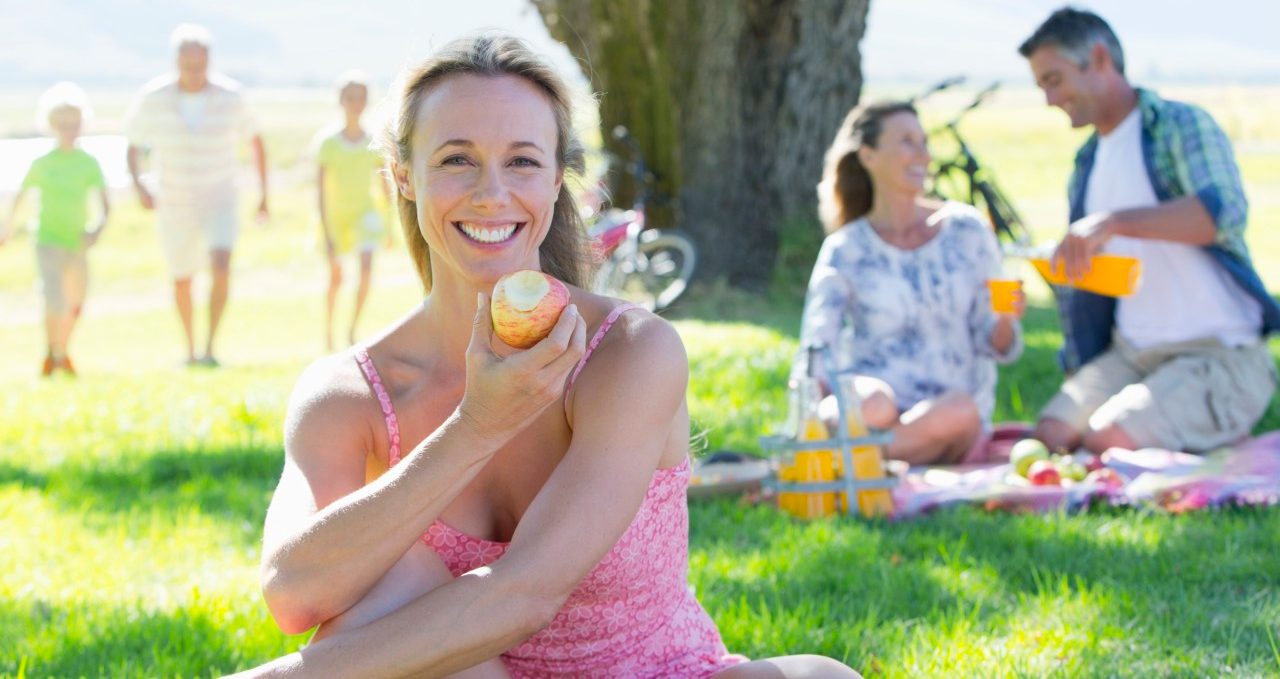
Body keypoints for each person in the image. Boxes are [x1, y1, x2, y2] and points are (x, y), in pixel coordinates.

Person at [240, 34, 858, 678]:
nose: (491, 194)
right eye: (456, 160)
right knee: (380, 561)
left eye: (523, 162)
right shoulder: (350, 394)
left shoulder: (628, 352)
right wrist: (476, 425)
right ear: (403, 175)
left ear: (556, 179)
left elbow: (526, 593)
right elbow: (294, 592)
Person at [1020, 8, 1280, 455]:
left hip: (1215, 351)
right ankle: (1176, 428)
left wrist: (1114, 222)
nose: (1048, 99)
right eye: (1042, 86)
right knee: (1053, 437)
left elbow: (1222, 215)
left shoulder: (1180, 125)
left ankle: (1216, 423)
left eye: (1055, 80)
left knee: (1107, 442)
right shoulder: (1086, 163)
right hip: (1131, 353)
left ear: (1099, 59)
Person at [794, 101, 1025, 465]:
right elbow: (816, 344)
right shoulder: (847, 247)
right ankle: (882, 455)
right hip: (875, 405)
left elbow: (995, 343)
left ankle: (841, 462)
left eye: (924, 141)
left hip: (948, 415)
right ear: (868, 156)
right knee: (870, 404)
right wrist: (809, 410)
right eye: (906, 141)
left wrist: (1007, 318)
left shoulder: (967, 230)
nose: (923, 155)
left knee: (959, 411)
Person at [124, 24, 269, 367]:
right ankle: (189, 350)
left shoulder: (231, 96)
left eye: (200, 63)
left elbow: (256, 140)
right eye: (188, 64)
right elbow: (132, 145)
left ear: (209, 60)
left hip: (219, 195)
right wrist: (139, 184)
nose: (194, 71)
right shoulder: (153, 97)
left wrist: (264, 194)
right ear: (176, 61)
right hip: (174, 198)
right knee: (182, 278)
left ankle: (210, 347)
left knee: (221, 264)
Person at [0, 82, 109, 377]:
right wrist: (6, 228)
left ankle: (61, 349)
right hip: (47, 239)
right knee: (54, 299)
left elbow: (105, 204)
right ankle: (53, 352)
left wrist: (96, 229)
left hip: (77, 242)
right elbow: (19, 196)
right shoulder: (42, 163)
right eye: (62, 124)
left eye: (73, 123)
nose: (68, 129)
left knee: (76, 302)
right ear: (51, 125)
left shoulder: (88, 163)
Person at [313, 70, 392, 351]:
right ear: (341, 100)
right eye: (350, 97)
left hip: (366, 215)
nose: (355, 102)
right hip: (335, 218)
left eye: (361, 97)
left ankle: (352, 330)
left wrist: (390, 225)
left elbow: (384, 186)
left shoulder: (374, 142)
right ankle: (329, 332)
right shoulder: (328, 143)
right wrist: (325, 229)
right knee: (335, 277)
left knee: (367, 267)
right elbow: (320, 192)